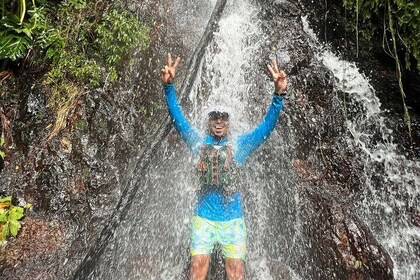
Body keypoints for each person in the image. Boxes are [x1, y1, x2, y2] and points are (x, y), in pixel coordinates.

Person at [161, 53, 287, 280]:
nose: (219, 122)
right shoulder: (198, 143)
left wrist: (278, 94)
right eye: (214, 118)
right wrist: (169, 86)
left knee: (236, 272)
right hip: (204, 217)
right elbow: (177, 118)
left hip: (232, 219)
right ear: (208, 121)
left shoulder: (241, 145)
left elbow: (267, 126)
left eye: (223, 118)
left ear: (229, 122)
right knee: (197, 268)